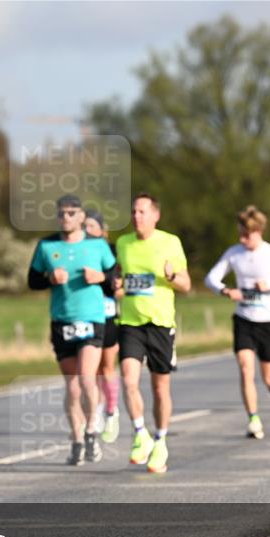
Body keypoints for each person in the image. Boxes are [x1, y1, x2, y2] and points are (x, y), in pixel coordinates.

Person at [28, 195, 116, 466]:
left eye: (71, 213)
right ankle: (77, 439)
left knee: (88, 378)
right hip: (62, 321)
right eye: (62, 213)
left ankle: (92, 429)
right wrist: (49, 279)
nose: (66, 218)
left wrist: (100, 277)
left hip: (92, 318)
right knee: (73, 385)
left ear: (81, 217)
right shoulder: (47, 246)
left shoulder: (97, 245)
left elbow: (115, 280)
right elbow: (32, 281)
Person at [206, 205, 270, 440]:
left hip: (268, 322)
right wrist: (227, 291)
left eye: (246, 234)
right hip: (244, 319)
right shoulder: (234, 253)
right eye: (240, 233)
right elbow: (211, 278)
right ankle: (253, 419)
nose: (242, 238)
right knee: (246, 369)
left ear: (259, 231)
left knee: (268, 379)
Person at [115, 193, 191, 473]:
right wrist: (116, 286)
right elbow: (122, 279)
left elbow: (186, 285)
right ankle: (140, 433)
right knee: (128, 379)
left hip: (160, 323)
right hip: (131, 323)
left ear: (155, 215)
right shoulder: (123, 243)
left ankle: (160, 440)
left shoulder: (170, 242)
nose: (136, 216)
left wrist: (171, 276)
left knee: (160, 388)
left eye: (142, 212)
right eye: (134, 211)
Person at [83, 208, 122, 444]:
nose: (87, 231)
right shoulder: (78, 251)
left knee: (107, 367)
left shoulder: (113, 251)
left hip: (107, 314)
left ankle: (112, 410)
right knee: (91, 370)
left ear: (101, 230)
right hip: (86, 315)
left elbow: (119, 286)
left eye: (91, 227)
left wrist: (106, 280)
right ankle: (95, 411)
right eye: (84, 226)